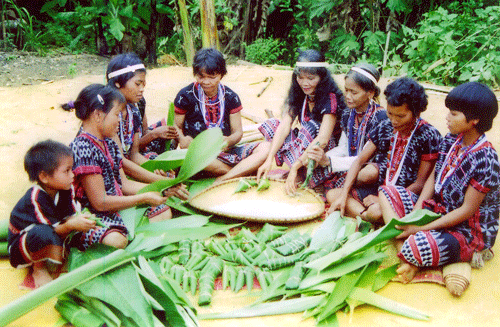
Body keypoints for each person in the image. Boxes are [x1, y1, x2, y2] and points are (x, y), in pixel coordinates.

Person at [380, 82, 499, 283]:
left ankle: (408, 252)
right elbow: (434, 176)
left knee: (415, 246)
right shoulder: (452, 139)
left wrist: (419, 229)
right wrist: (416, 214)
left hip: (466, 229)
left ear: (475, 120)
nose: (447, 118)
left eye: (454, 114)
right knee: (387, 192)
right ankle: (408, 257)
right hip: (438, 209)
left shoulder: (486, 159)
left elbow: (466, 211)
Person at [64, 84, 188, 248]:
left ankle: (130, 238)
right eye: (116, 114)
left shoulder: (108, 143)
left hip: (116, 208)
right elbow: (99, 202)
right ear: (98, 115)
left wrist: (162, 188)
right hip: (91, 216)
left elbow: (124, 184)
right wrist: (144, 197)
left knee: (163, 211)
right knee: (117, 241)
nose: (119, 121)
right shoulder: (83, 147)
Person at [329, 77, 442, 222]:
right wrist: (344, 195)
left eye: (401, 116)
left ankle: (369, 215)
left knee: (376, 211)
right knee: (334, 195)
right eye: (390, 113)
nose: (394, 120)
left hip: (407, 194)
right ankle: (366, 215)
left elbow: (420, 184)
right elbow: (359, 161)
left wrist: (382, 199)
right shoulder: (386, 126)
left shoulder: (428, 135)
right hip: (382, 188)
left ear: (417, 113)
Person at [256, 49, 347, 194]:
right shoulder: (299, 91)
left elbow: (323, 139)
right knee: (272, 125)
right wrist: (269, 159)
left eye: (311, 78)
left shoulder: (330, 98)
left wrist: (295, 167)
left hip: (323, 152)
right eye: (300, 77)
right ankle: (299, 172)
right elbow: (285, 124)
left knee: (310, 128)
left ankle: (306, 175)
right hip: (305, 147)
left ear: (322, 77)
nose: (305, 83)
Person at [8, 140, 96, 288]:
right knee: (42, 232)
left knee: (73, 226)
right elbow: (54, 231)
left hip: (51, 234)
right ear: (44, 177)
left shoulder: (66, 189)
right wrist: (71, 224)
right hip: (23, 247)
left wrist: (80, 221)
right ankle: (38, 270)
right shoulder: (35, 198)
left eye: (71, 169)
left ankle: (56, 260)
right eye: (66, 171)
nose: (72, 175)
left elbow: (70, 216)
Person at [174, 47, 270, 180]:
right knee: (189, 157)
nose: (206, 82)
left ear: (221, 74)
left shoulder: (231, 97)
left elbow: (237, 132)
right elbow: (176, 126)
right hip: (197, 154)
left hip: (226, 153)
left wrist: (229, 141)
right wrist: (182, 139)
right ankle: (241, 172)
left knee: (266, 147)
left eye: (212, 77)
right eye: (201, 76)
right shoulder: (185, 96)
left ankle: (224, 176)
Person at [306, 63, 387, 200]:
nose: (348, 96)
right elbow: (344, 148)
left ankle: (347, 191)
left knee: (366, 174)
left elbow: (365, 159)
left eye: (354, 92)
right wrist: (323, 158)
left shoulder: (381, 119)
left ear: (370, 93)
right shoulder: (347, 114)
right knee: (313, 165)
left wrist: (329, 162)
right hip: (349, 163)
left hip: (368, 168)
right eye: (346, 90)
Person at [106, 53, 177, 183]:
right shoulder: (107, 114)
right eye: (137, 84)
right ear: (117, 83)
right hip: (110, 171)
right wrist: (158, 179)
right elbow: (121, 161)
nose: (142, 89)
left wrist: (158, 168)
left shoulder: (133, 111)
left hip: (126, 164)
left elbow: (134, 154)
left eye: (143, 84)